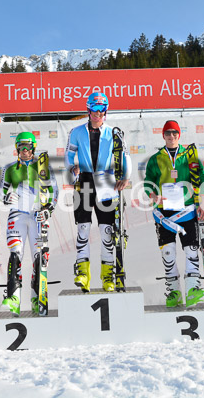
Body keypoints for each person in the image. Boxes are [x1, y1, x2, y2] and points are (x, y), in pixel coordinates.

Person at [65, 92, 131, 293]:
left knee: (107, 232)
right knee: (83, 229)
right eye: (94, 109)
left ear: (106, 111)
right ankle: (83, 274)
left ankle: (108, 276)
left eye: (101, 109)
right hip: (84, 181)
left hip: (106, 182)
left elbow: (125, 156)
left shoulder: (114, 132)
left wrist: (126, 177)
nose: (97, 113)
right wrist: (72, 168)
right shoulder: (76, 132)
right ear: (88, 109)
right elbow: (68, 155)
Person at [144, 120, 204, 308]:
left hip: (187, 209)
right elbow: (148, 181)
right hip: (164, 212)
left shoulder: (190, 156)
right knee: (168, 252)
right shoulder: (155, 158)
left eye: (174, 133)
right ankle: (174, 293)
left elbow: (202, 178)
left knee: (191, 250)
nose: (171, 136)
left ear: (179, 135)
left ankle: (192, 290)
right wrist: (153, 195)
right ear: (163, 135)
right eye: (168, 133)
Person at [0, 132, 58, 316]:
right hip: (17, 215)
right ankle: (14, 297)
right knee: (15, 253)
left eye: (28, 146)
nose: (25, 150)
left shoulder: (43, 166)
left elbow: (54, 191)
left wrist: (48, 209)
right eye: (21, 147)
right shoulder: (9, 168)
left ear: (34, 147)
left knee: (40, 257)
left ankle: (36, 297)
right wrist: (6, 196)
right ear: (17, 148)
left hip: (38, 215)